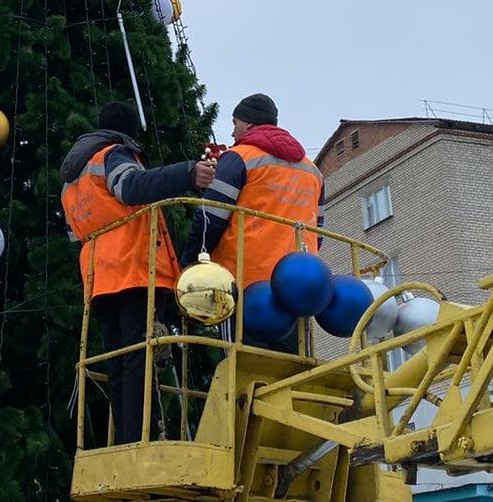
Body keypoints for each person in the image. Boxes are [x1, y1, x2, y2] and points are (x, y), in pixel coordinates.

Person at [60, 101, 215, 444]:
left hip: (99, 278)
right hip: (133, 269)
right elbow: (131, 188)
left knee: (119, 360)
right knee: (139, 357)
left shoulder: (71, 180)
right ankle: (144, 435)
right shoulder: (113, 154)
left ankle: (130, 437)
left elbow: (75, 235)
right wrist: (187, 173)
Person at [179, 94, 324, 335]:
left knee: (240, 363)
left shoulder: (239, 157)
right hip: (299, 286)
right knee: (291, 364)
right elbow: (317, 234)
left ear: (248, 123)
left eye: (235, 123)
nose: (234, 133)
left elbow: (210, 220)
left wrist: (189, 264)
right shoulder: (312, 170)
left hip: (244, 285)